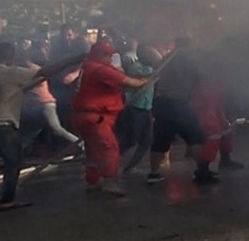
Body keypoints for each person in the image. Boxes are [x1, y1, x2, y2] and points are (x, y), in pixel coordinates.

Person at [0, 42, 86, 209]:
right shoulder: (9, 72)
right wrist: (73, 60)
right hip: (3, 126)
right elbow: (46, 70)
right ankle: (7, 200)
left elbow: (21, 87)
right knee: (13, 162)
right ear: (10, 56)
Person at [71, 39, 147, 197]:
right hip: (96, 118)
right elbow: (130, 82)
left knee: (93, 151)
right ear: (100, 55)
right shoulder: (100, 70)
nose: (110, 59)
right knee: (109, 148)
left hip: (85, 116)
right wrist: (145, 81)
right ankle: (110, 183)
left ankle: (93, 181)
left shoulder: (89, 66)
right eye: (108, 55)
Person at [148, 37, 217, 185]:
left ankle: (153, 174)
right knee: (196, 137)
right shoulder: (190, 59)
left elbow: (157, 77)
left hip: (162, 102)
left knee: (160, 140)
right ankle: (201, 171)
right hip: (179, 102)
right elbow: (201, 76)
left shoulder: (167, 58)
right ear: (189, 45)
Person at [21, 47, 82, 150]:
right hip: (36, 105)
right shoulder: (27, 70)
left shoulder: (33, 70)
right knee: (31, 131)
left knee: (57, 129)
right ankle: (18, 151)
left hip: (45, 104)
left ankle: (82, 145)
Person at [191, 69, 244, 172]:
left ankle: (225, 159)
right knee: (213, 131)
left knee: (225, 129)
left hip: (214, 102)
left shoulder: (221, 75)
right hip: (204, 104)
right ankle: (203, 168)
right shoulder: (209, 72)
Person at [117, 41, 157, 176]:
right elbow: (149, 76)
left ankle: (129, 167)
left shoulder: (150, 67)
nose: (150, 55)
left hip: (147, 108)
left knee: (147, 140)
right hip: (135, 108)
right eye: (148, 53)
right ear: (141, 54)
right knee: (131, 139)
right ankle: (110, 159)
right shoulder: (136, 67)